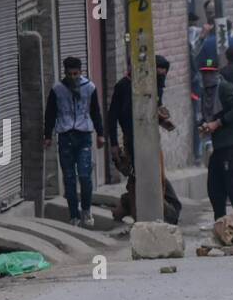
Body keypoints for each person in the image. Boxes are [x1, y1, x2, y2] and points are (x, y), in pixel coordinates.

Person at [107, 54, 183, 225]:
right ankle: (134, 212)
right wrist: (114, 145)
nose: (161, 77)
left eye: (163, 74)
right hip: (132, 142)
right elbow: (112, 117)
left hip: (152, 142)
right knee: (138, 179)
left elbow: (155, 110)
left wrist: (163, 120)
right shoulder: (123, 87)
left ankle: (130, 206)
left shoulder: (155, 86)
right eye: (158, 73)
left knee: (156, 178)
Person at [43, 56, 105, 227]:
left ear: (81, 72)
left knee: (85, 175)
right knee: (69, 178)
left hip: (84, 135)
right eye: (69, 74)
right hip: (65, 136)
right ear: (65, 72)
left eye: (76, 73)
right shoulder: (58, 89)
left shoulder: (89, 88)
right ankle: (73, 214)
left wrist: (100, 134)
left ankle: (86, 209)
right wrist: (47, 135)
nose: (73, 77)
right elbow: (50, 113)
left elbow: (95, 112)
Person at [197, 57, 233, 220]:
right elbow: (205, 116)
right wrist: (204, 125)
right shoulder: (205, 93)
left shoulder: (226, 88)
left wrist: (218, 123)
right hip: (218, 146)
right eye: (204, 74)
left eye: (210, 73)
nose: (207, 78)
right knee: (214, 185)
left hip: (231, 145)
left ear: (217, 73)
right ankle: (220, 220)